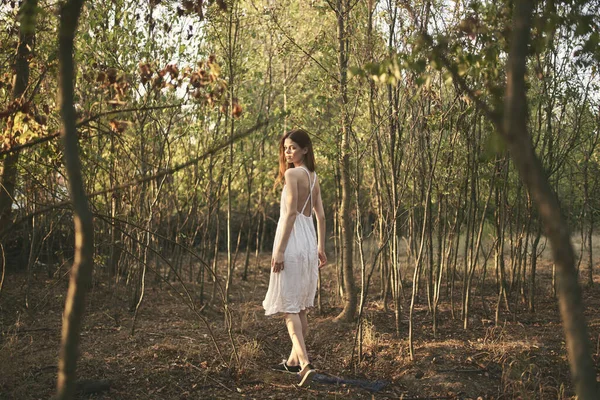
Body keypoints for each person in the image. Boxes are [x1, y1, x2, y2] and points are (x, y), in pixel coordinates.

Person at [262, 128, 327, 387]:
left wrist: (278, 250)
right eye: (286, 148)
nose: (288, 152)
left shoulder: (292, 174)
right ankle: (292, 363)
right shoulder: (313, 177)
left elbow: (289, 214)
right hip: (308, 243)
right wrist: (321, 248)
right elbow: (320, 216)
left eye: (293, 148)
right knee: (299, 308)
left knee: (290, 310)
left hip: (291, 242)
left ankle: (306, 365)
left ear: (305, 150)